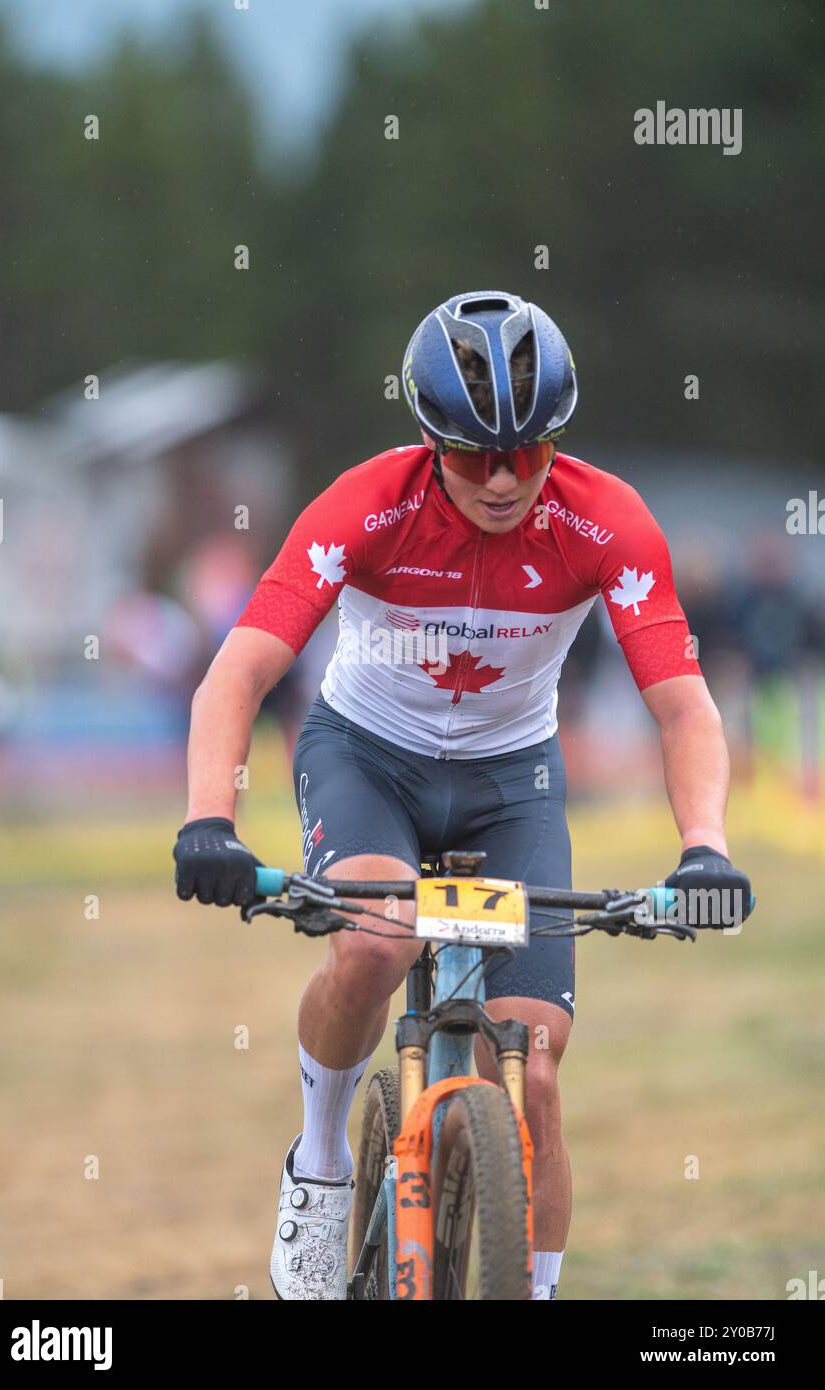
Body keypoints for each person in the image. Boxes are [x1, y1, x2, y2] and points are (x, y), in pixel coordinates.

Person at [173, 291, 753, 1301]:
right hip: (367, 757)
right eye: (473, 452)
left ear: (555, 443)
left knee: (532, 1073)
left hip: (510, 785)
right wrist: (207, 821)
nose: (500, 477)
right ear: (429, 438)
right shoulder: (367, 503)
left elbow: (685, 708)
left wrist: (704, 845)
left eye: (526, 452)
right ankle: (317, 1164)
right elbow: (238, 672)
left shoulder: (603, 519)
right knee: (376, 940)